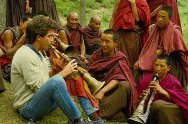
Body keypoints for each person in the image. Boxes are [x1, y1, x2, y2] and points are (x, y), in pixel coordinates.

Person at [11, 15, 85, 124]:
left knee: (67, 81)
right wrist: (63, 73)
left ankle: (89, 114)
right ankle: (78, 121)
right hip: (28, 108)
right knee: (59, 81)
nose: (52, 40)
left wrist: (63, 69)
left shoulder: (40, 52)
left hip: (40, 101)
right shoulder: (25, 54)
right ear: (38, 37)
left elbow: (47, 77)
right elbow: (41, 86)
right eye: (50, 36)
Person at [88, 29, 138, 122]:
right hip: (96, 87)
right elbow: (89, 72)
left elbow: (119, 77)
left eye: (107, 41)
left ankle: (98, 114)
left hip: (112, 91)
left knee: (125, 85)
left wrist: (102, 92)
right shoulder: (96, 54)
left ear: (115, 43)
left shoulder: (120, 57)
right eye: (102, 40)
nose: (103, 44)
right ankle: (118, 115)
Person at [136, 5, 188, 89]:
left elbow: (183, 51)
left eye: (163, 17)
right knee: (138, 72)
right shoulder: (152, 28)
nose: (160, 19)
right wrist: (141, 60)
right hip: (155, 59)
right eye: (158, 16)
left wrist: (163, 50)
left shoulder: (175, 31)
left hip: (172, 61)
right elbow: (149, 47)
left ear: (169, 19)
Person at [136, 54, 188, 124]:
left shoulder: (173, 82)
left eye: (162, 66)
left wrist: (163, 91)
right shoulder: (145, 81)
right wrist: (141, 98)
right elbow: (136, 101)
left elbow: (183, 100)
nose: (158, 68)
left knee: (159, 104)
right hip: (148, 114)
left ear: (168, 68)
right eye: (156, 65)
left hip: (166, 113)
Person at [109, 0, 151, 73]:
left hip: (132, 36)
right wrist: (110, 33)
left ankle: (130, 80)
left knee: (130, 61)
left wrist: (133, 3)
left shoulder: (141, 1)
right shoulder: (120, 1)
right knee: (117, 59)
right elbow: (113, 16)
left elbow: (137, 19)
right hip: (119, 35)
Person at [0, 15, 32, 81]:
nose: (30, 28)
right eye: (28, 25)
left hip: (16, 61)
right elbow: (8, 55)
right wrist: (21, 41)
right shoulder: (9, 33)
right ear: (21, 22)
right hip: (6, 63)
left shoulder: (27, 35)